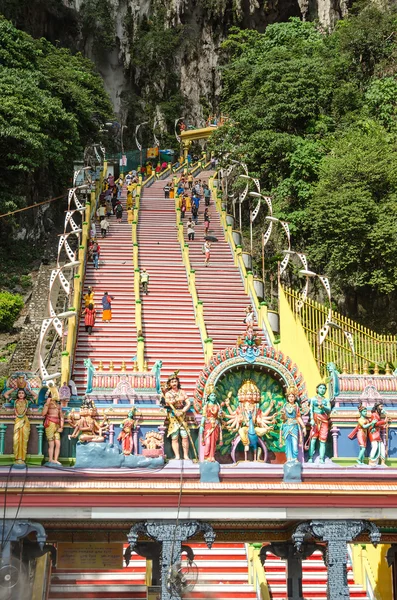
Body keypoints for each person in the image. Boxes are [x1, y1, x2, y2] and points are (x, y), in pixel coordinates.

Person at [164, 374, 191, 460]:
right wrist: (175, 410)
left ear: (178, 382)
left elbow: (188, 403)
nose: (174, 383)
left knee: (184, 436)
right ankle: (177, 455)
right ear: (169, 384)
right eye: (172, 382)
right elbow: (168, 403)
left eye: (175, 381)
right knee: (174, 436)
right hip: (173, 416)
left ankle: (186, 455)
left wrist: (183, 411)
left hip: (182, 415)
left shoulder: (182, 392)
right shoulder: (168, 394)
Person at [306, 383, 331, 463]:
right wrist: (312, 419)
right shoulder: (313, 399)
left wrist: (323, 407)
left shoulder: (326, 400)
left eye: (324, 388)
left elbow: (329, 409)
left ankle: (321, 458)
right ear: (317, 389)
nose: (322, 389)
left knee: (323, 441)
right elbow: (311, 410)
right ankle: (310, 457)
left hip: (324, 420)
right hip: (315, 420)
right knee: (313, 439)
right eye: (320, 388)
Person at [280, 387, 306, 462]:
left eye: (292, 396)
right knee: (288, 444)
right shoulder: (285, 406)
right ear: (287, 397)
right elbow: (283, 418)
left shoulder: (296, 406)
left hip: (294, 426)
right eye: (289, 396)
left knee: (295, 445)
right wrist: (283, 414)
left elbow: (298, 417)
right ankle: (289, 458)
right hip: (286, 426)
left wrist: (303, 427)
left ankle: (295, 458)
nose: (291, 398)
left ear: (295, 398)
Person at [200, 392, 223, 462]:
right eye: (212, 395)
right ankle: (206, 456)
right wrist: (201, 426)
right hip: (208, 424)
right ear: (208, 397)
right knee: (208, 442)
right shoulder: (206, 406)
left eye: (214, 395)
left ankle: (212, 456)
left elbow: (220, 417)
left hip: (215, 425)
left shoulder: (217, 406)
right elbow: (204, 416)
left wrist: (220, 413)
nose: (213, 397)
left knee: (213, 442)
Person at [42, 392, 64, 464]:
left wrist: (61, 427)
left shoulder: (58, 406)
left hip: (57, 425)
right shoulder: (48, 404)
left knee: (58, 444)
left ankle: (56, 459)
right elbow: (43, 413)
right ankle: (51, 459)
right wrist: (47, 403)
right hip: (50, 424)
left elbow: (61, 417)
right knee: (51, 444)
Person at [12, 389, 31, 465]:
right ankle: (17, 457)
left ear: (25, 394)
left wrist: (29, 390)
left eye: (22, 393)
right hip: (17, 420)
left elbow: (36, 396)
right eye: (19, 393)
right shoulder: (15, 401)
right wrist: (13, 389)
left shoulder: (26, 402)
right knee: (16, 439)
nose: (21, 394)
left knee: (24, 439)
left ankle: (22, 458)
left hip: (24, 421)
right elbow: (5, 395)